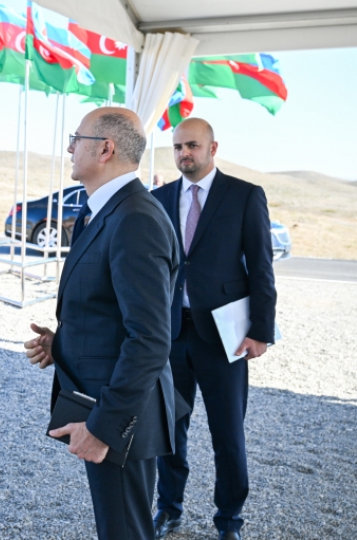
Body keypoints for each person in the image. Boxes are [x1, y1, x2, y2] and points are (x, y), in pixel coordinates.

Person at [24, 107, 180, 540]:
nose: (70, 148)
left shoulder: (135, 219)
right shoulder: (104, 211)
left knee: (125, 531)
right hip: (102, 401)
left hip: (118, 417)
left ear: (105, 149)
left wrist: (104, 427)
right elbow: (109, 310)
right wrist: (63, 343)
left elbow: (149, 339)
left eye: (77, 138)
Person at [151, 118, 276, 540]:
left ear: (212, 148)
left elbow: (261, 267)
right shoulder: (159, 198)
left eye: (192, 145)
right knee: (169, 429)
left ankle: (229, 520)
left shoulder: (244, 195)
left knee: (228, 434)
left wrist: (260, 331)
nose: (184, 153)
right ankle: (168, 509)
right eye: (177, 147)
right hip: (170, 334)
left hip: (225, 336)